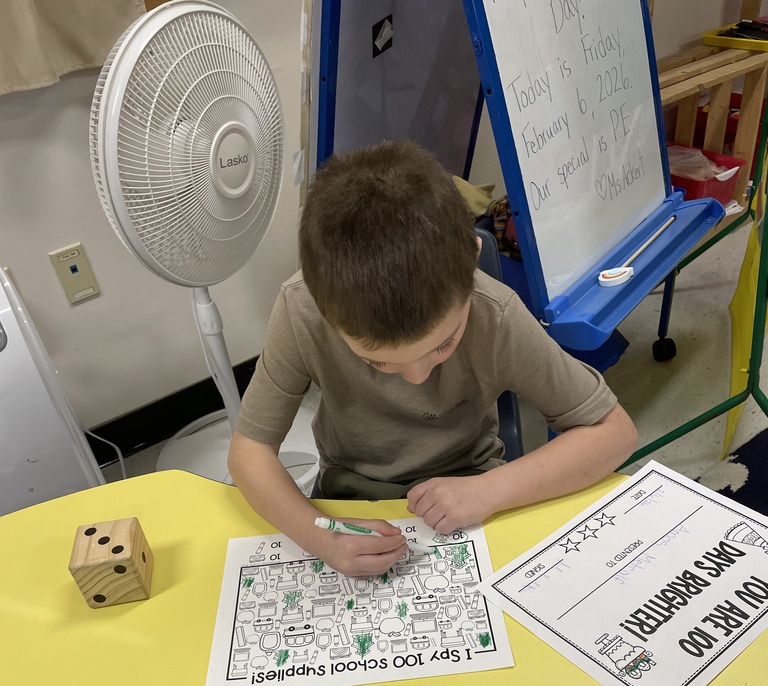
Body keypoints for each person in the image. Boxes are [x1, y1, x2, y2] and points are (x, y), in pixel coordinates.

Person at [228, 140, 637, 576]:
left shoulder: (494, 314)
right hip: (348, 496)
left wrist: (491, 490)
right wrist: (318, 535)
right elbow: (249, 452)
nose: (418, 377)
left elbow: (614, 433)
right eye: (379, 362)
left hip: (474, 485)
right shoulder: (301, 309)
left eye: (443, 345)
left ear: (473, 259)